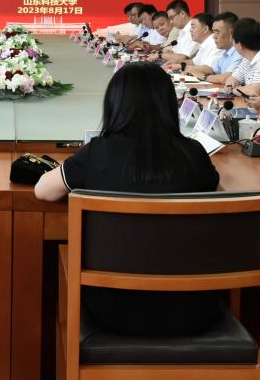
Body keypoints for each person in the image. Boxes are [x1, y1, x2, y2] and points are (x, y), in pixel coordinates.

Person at [34, 61, 221, 337]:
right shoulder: (193, 153)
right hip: (193, 310)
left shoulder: (97, 153)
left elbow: (43, 191)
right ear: (168, 105)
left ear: (114, 105)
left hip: (113, 312)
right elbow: (212, 189)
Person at [184, 12, 242, 82]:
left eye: (217, 32)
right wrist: (192, 71)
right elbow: (213, 71)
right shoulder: (225, 52)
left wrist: (203, 76)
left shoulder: (239, 52)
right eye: (214, 32)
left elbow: (226, 78)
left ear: (231, 33)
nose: (214, 37)